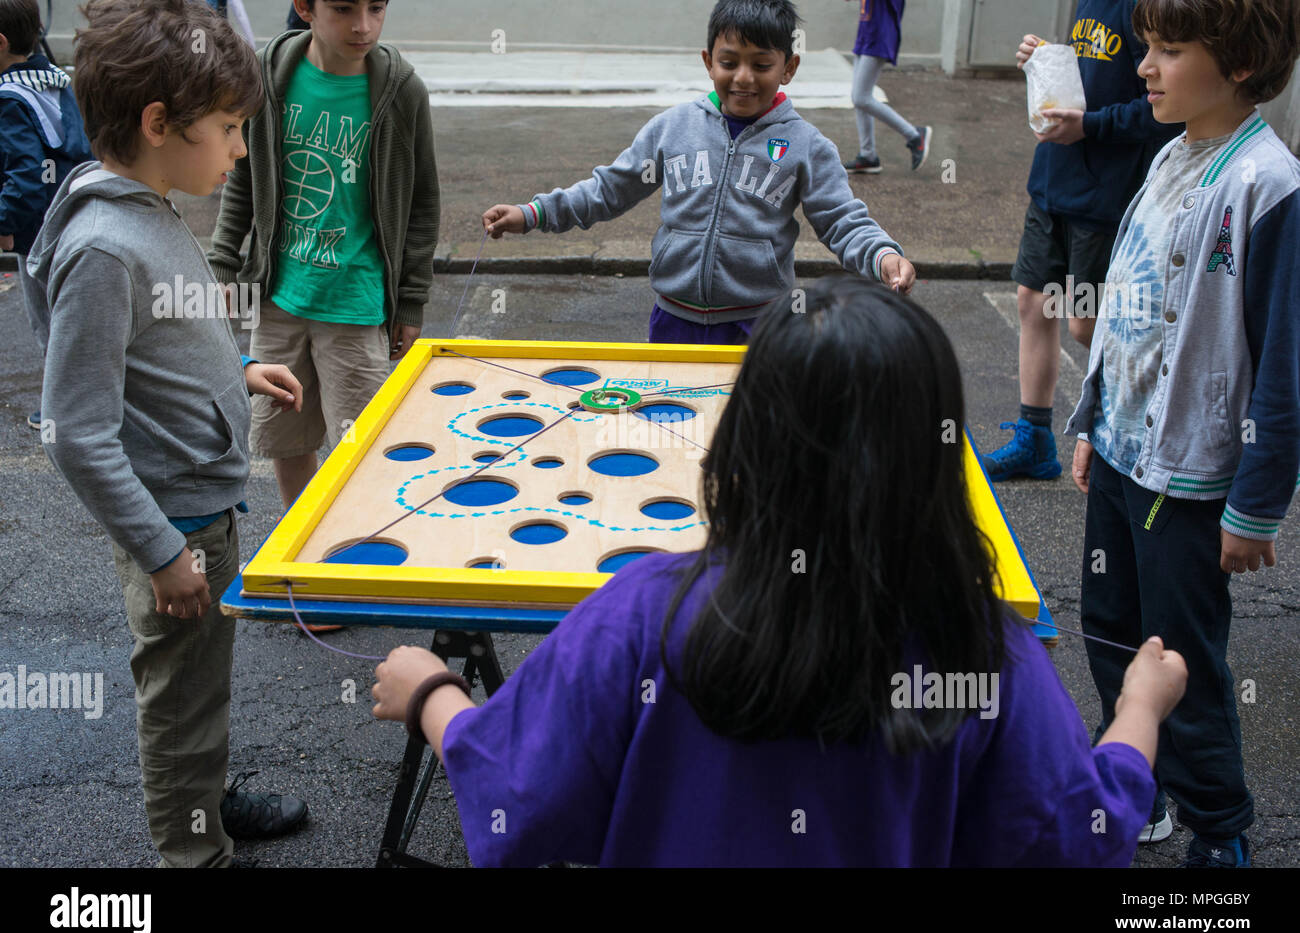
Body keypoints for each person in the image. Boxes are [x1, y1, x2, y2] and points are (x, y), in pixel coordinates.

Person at [372, 276, 1188, 867]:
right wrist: (1137, 714)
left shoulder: (642, 614)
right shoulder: (981, 651)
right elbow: (1074, 836)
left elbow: (521, 803)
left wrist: (434, 697)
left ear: (746, 440)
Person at [25, 0, 309, 867]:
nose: (239, 148)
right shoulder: (109, 245)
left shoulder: (139, 197)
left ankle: (206, 804)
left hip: (193, 512)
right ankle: (195, 854)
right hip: (175, 526)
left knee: (197, 686)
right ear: (158, 124)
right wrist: (160, 552)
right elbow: (76, 430)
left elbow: (157, 342)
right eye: (228, 128)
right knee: (179, 699)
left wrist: (236, 366)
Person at [1066, 0, 1300, 867]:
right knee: (1109, 625)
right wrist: (1091, 420)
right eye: (1148, 48)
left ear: (1238, 61)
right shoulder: (1170, 154)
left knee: (1183, 656)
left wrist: (1257, 506)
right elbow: (1128, 307)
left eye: (1168, 51)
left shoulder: (1269, 185)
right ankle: (1141, 777)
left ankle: (1221, 827)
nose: (1144, 68)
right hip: (1125, 456)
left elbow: (1285, 364)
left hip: (1191, 479)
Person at [482, 0, 915, 346]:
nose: (743, 78)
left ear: (789, 68)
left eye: (761, 65)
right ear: (709, 61)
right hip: (673, 320)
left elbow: (841, 219)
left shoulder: (808, 146)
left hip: (758, 327)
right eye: (730, 62)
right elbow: (608, 190)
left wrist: (883, 256)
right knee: (671, 430)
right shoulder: (672, 128)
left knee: (745, 439)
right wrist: (533, 213)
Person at [209, 0, 439, 514]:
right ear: (305, 8)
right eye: (343, 9)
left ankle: (360, 546)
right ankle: (305, 539)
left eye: (376, 8)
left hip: (355, 306)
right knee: (287, 438)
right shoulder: (268, 75)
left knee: (363, 447)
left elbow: (424, 201)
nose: (364, 26)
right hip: (279, 301)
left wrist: (410, 301)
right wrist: (223, 259)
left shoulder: (402, 92)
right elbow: (241, 176)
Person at [982, 0, 1180, 482]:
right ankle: (1035, 440)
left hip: (1104, 194)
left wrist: (1090, 126)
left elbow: (1164, 111)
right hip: (1053, 179)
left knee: (1087, 325)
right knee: (1032, 301)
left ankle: (1135, 438)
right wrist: (1044, 62)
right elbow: (1091, 73)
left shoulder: (1151, 9)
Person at [0, 0, 92, 430]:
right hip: (73, 214)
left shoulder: (9, 99)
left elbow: (25, 177)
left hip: (37, 231)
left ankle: (64, 410)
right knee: (73, 316)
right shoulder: (54, 79)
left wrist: (4, 224)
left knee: (49, 324)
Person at [840, 0, 931, 174]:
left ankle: (914, 135)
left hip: (880, 35)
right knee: (858, 97)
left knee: (861, 97)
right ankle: (868, 156)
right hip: (867, 32)